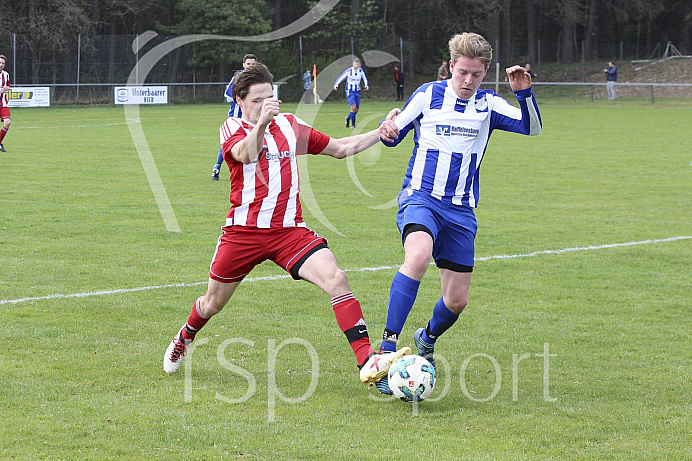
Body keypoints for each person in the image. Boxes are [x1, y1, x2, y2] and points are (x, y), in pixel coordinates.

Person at [163, 63, 410, 389]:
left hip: (289, 231)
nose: (267, 104)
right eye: (257, 100)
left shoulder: (291, 125)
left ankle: (367, 360)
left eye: (271, 98)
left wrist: (381, 131)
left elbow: (338, 148)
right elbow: (245, 154)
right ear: (240, 99)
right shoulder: (231, 126)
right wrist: (262, 122)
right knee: (212, 304)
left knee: (337, 278)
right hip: (243, 233)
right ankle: (186, 335)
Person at [376, 32, 542, 395]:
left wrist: (524, 93)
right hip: (421, 197)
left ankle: (426, 337)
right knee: (417, 257)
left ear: (486, 73)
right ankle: (386, 351)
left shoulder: (489, 105)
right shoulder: (428, 95)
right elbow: (394, 134)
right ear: (451, 66)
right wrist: (388, 130)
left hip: (462, 210)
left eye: (477, 75)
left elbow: (533, 128)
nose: (468, 81)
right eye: (463, 72)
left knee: (456, 300)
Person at [212, 53, 258, 181]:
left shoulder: (258, 78)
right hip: (235, 117)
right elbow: (227, 93)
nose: (250, 66)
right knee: (229, 143)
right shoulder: (238, 77)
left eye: (253, 64)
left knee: (254, 141)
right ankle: (217, 167)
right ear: (243, 65)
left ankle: (252, 172)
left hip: (251, 117)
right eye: (248, 64)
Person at [333, 57, 369, 129]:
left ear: (359, 65)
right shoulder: (349, 71)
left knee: (356, 110)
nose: (356, 66)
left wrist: (366, 84)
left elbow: (364, 78)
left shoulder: (361, 71)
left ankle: (348, 118)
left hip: (357, 91)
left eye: (357, 64)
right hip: (350, 91)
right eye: (355, 64)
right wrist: (336, 84)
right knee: (353, 107)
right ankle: (353, 124)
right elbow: (341, 77)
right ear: (353, 64)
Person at [0, 55, 11, 152]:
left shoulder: (6, 74)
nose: (1, 65)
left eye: (3, 63)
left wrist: (6, 88)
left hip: (3, 102)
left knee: (7, 122)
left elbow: (7, 85)